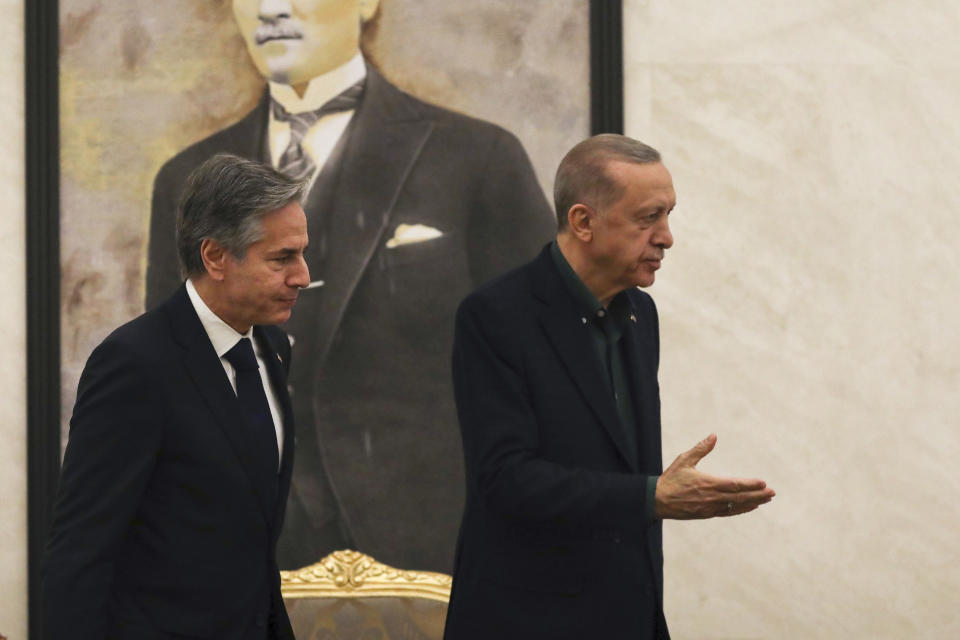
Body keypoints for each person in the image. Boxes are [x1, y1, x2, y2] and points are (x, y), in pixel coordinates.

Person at [146, 0, 555, 573]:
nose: (270, 8)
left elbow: (545, 368)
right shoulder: (185, 181)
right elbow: (172, 385)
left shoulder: (478, 158)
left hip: (435, 546)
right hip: (244, 550)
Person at [442, 135, 776, 640]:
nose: (666, 237)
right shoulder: (495, 316)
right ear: (583, 222)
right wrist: (651, 497)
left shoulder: (641, 313)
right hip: (527, 620)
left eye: (669, 216)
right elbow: (506, 478)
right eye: (648, 217)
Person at [43, 154, 310, 639]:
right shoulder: (134, 363)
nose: (302, 276)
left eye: (301, 254)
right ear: (215, 257)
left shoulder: (270, 348)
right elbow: (82, 548)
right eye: (282, 258)